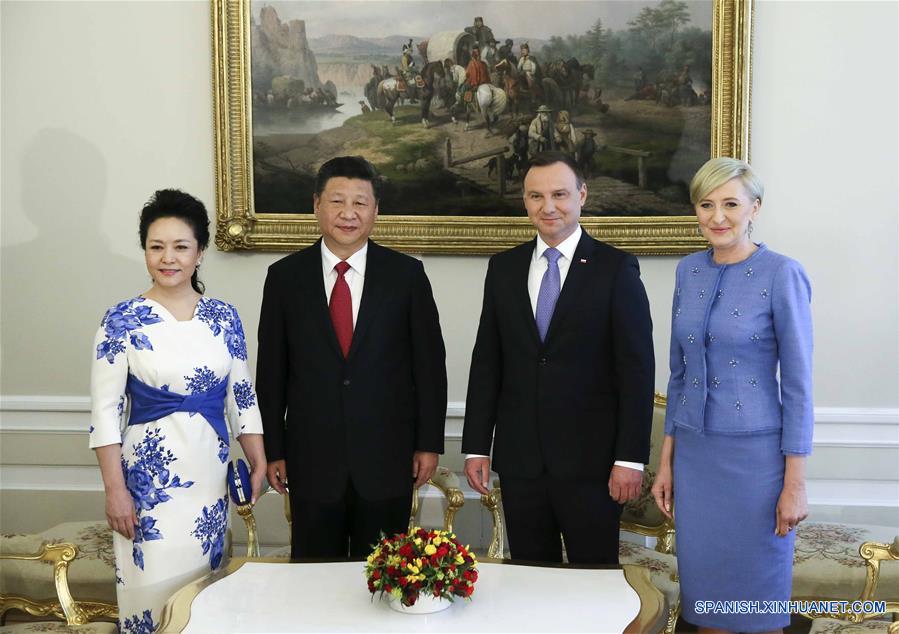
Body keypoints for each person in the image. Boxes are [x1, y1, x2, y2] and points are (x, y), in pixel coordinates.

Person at [462, 152, 655, 564]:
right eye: (536, 196)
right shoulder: (503, 268)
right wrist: (477, 446)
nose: (548, 207)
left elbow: (636, 372)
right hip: (521, 464)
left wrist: (629, 458)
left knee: (593, 583)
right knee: (530, 585)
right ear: (525, 201)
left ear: (582, 195)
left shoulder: (615, 269)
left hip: (594, 466)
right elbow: (487, 364)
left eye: (560, 194)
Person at [90, 189, 266, 631]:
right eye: (156, 246)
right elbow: (105, 412)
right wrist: (116, 491)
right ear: (145, 251)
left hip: (209, 477)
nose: (168, 258)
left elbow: (242, 395)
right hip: (148, 487)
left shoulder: (224, 317)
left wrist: (258, 458)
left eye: (180, 246)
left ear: (200, 253)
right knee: (151, 598)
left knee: (203, 599)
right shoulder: (121, 320)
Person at [652, 157, 813, 633]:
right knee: (706, 607)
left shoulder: (782, 273)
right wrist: (666, 463)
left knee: (752, 606)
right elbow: (678, 376)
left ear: (754, 208)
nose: (717, 216)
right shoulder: (688, 272)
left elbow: (800, 388)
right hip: (696, 462)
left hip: (756, 466)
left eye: (730, 204)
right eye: (706, 204)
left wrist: (795, 483)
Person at [257, 156, 447, 558]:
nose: (348, 213)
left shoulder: (407, 276)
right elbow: (271, 373)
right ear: (316, 205)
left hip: (387, 458)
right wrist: (275, 448)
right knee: (314, 577)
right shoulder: (284, 278)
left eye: (360, 203)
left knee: (384, 578)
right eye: (337, 201)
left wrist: (428, 443)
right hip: (311, 460)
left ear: (376, 210)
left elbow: (429, 368)